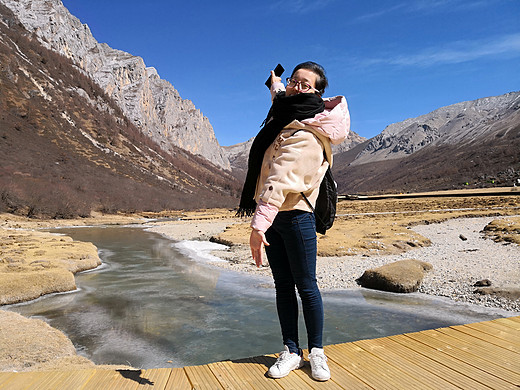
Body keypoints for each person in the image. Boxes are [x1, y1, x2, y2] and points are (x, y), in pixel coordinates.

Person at [237, 61, 350, 381]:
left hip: (296, 215)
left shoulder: (309, 131)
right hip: (276, 217)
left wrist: (258, 226)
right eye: (293, 81)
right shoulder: (288, 111)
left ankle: (316, 352)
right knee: (283, 286)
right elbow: (282, 97)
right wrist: (273, 83)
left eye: (304, 85)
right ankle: (290, 350)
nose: (295, 87)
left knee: (306, 285)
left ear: (317, 93)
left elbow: (281, 177)